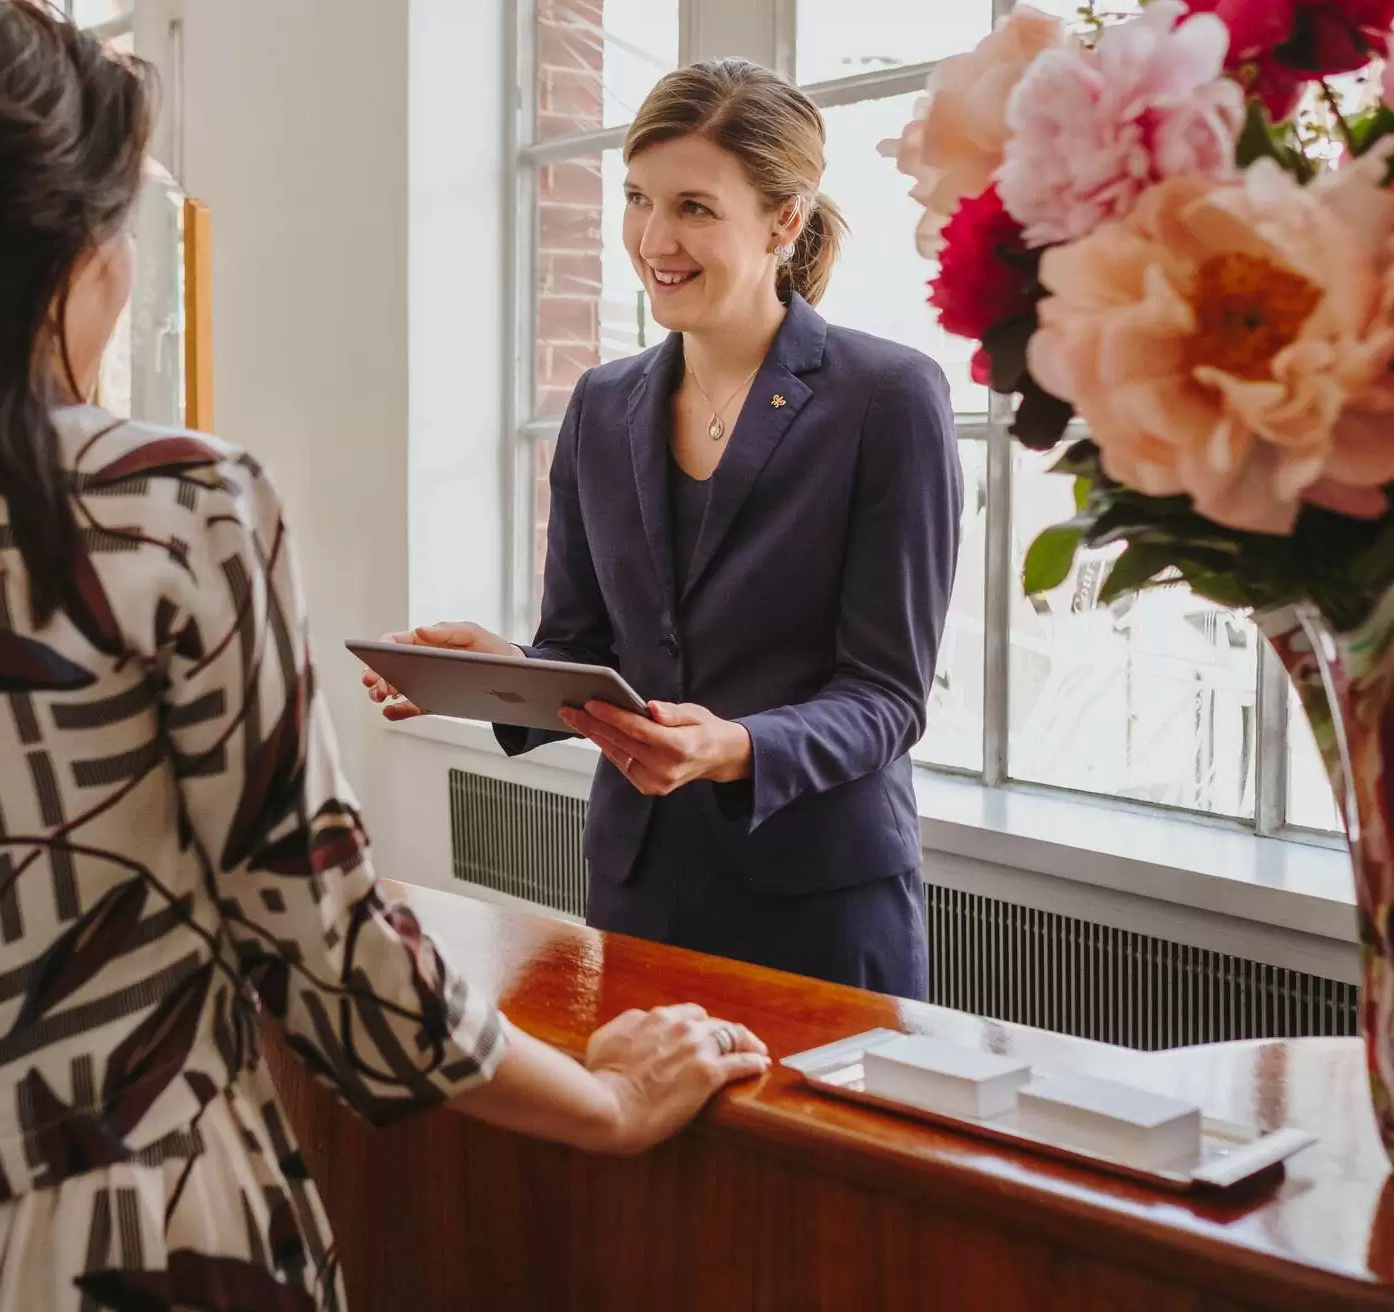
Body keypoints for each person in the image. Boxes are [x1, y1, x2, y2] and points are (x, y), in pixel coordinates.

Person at [0, 4, 768, 1309]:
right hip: (136, 1258)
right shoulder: (162, 507)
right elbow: (325, 948)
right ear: (55, 249)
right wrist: (603, 1102)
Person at [363, 60, 962, 999]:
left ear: (785, 220)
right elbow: (584, 648)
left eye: (693, 207)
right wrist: (498, 674)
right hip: (639, 889)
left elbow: (888, 697)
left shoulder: (887, 398)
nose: (652, 239)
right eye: (637, 198)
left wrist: (735, 748)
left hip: (820, 904)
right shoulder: (601, 406)